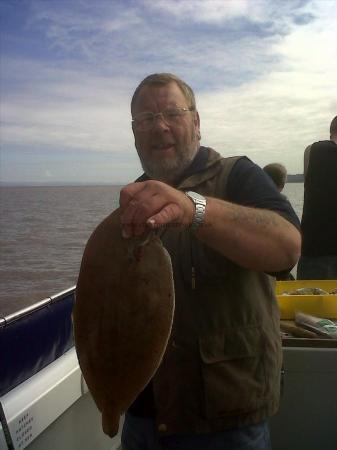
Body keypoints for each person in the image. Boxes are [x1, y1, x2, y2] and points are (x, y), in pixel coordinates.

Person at [119, 73, 301, 450]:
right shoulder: (133, 200)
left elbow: (287, 247)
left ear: (197, 122)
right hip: (142, 418)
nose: (160, 126)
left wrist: (195, 209)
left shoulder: (238, 175)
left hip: (224, 423)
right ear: (135, 133)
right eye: (146, 119)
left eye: (172, 112)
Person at [297, 115, 337, 280]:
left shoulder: (311, 151)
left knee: (310, 304)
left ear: (331, 132)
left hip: (314, 249)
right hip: (317, 253)